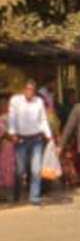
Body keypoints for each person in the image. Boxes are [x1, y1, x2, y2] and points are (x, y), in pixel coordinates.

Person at [7, 77, 52, 205]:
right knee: (20, 170)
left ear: (35, 91)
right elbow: (12, 117)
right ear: (23, 89)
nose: (29, 92)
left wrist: (48, 134)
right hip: (20, 139)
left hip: (36, 139)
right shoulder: (15, 100)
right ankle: (17, 194)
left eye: (32, 90)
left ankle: (34, 196)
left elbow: (43, 119)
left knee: (36, 169)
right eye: (27, 89)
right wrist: (12, 133)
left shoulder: (39, 102)